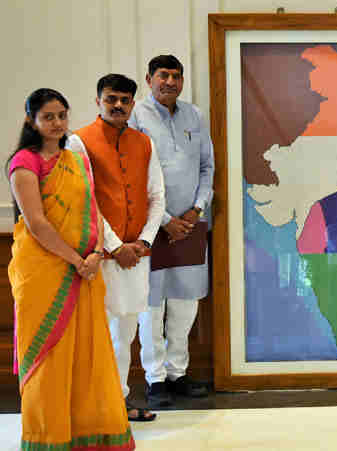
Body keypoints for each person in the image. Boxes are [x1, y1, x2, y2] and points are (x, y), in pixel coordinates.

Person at [8, 88, 135, 449]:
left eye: (61, 115)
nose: (57, 123)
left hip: (85, 270)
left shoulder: (75, 161)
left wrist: (95, 254)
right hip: (44, 273)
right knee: (50, 357)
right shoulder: (24, 163)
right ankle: (48, 437)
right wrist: (78, 260)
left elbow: (92, 212)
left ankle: (87, 434)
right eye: (48, 117)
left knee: (87, 354)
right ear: (31, 120)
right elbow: (36, 223)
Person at [67, 74, 165, 421]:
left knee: (128, 331)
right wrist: (116, 245)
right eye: (111, 99)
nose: (119, 105)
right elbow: (85, 199)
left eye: (125, 99)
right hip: (99, 257)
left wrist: (143, 242)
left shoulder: (144, 143)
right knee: (99, 333)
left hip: (136, 256)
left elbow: (157, 197)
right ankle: (96, 407)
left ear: (133, 103)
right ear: (98, 101)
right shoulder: (78, 142)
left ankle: (117, 403)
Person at [128, 55, 214, 407]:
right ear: (149, 79)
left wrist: (196, 210)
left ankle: (179, 373)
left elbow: (208, 166)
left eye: (176, 76)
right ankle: (156, 379)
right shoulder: (137, 116)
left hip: (191, 224)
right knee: (152, 306)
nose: (170, 82)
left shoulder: (195, 115)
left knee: (185, 303)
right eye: (163, 75)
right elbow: (134, 176)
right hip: (152, 226)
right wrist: (166, 220)